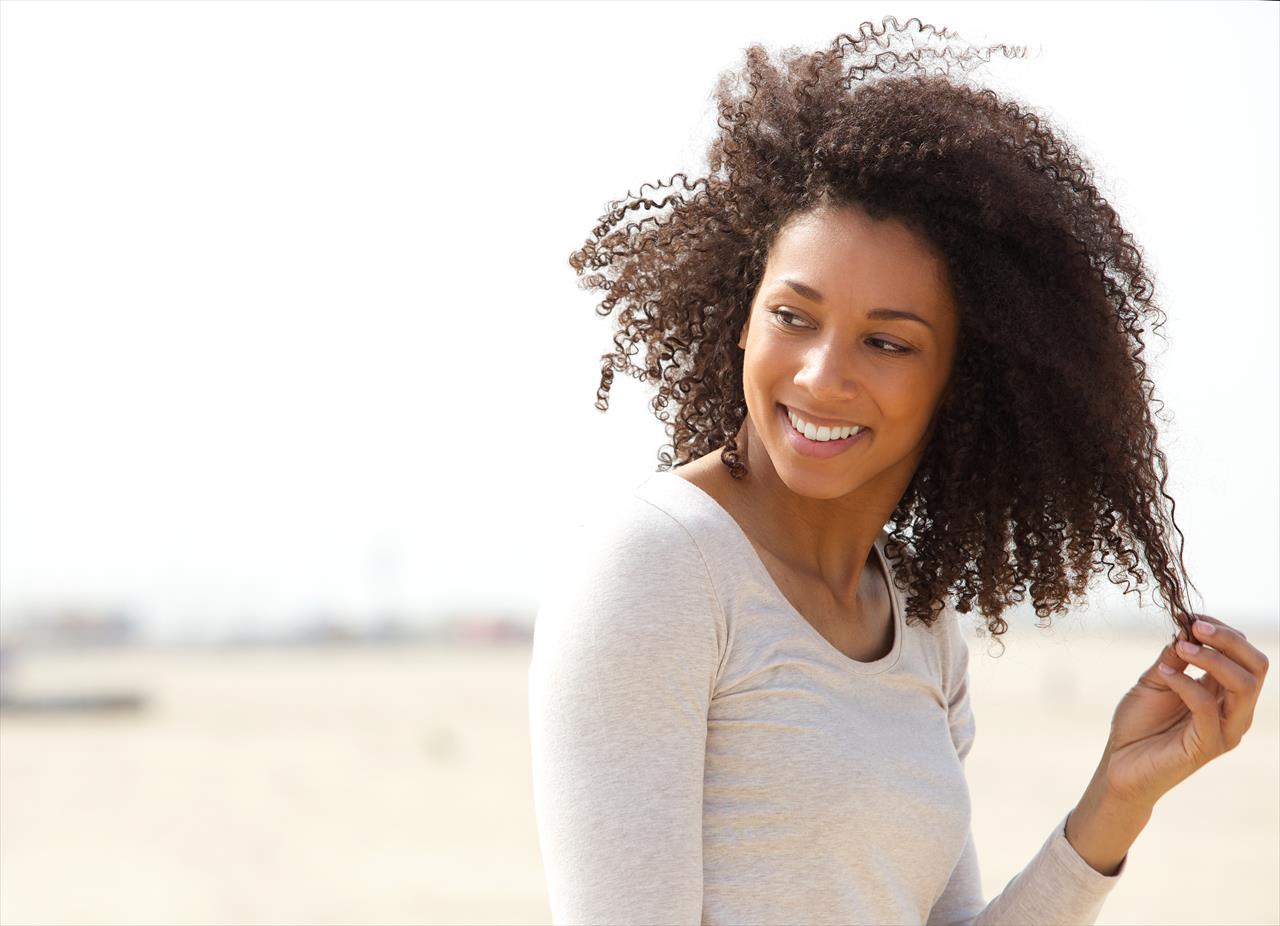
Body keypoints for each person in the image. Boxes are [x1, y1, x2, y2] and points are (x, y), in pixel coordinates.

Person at [528, 17, 1270, 926]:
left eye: (886, 342)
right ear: (740, 315)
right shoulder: (657, 570)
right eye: (793, 317)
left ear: (964, 382)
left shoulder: (916, 616)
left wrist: (1117, 801)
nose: (820, 375)